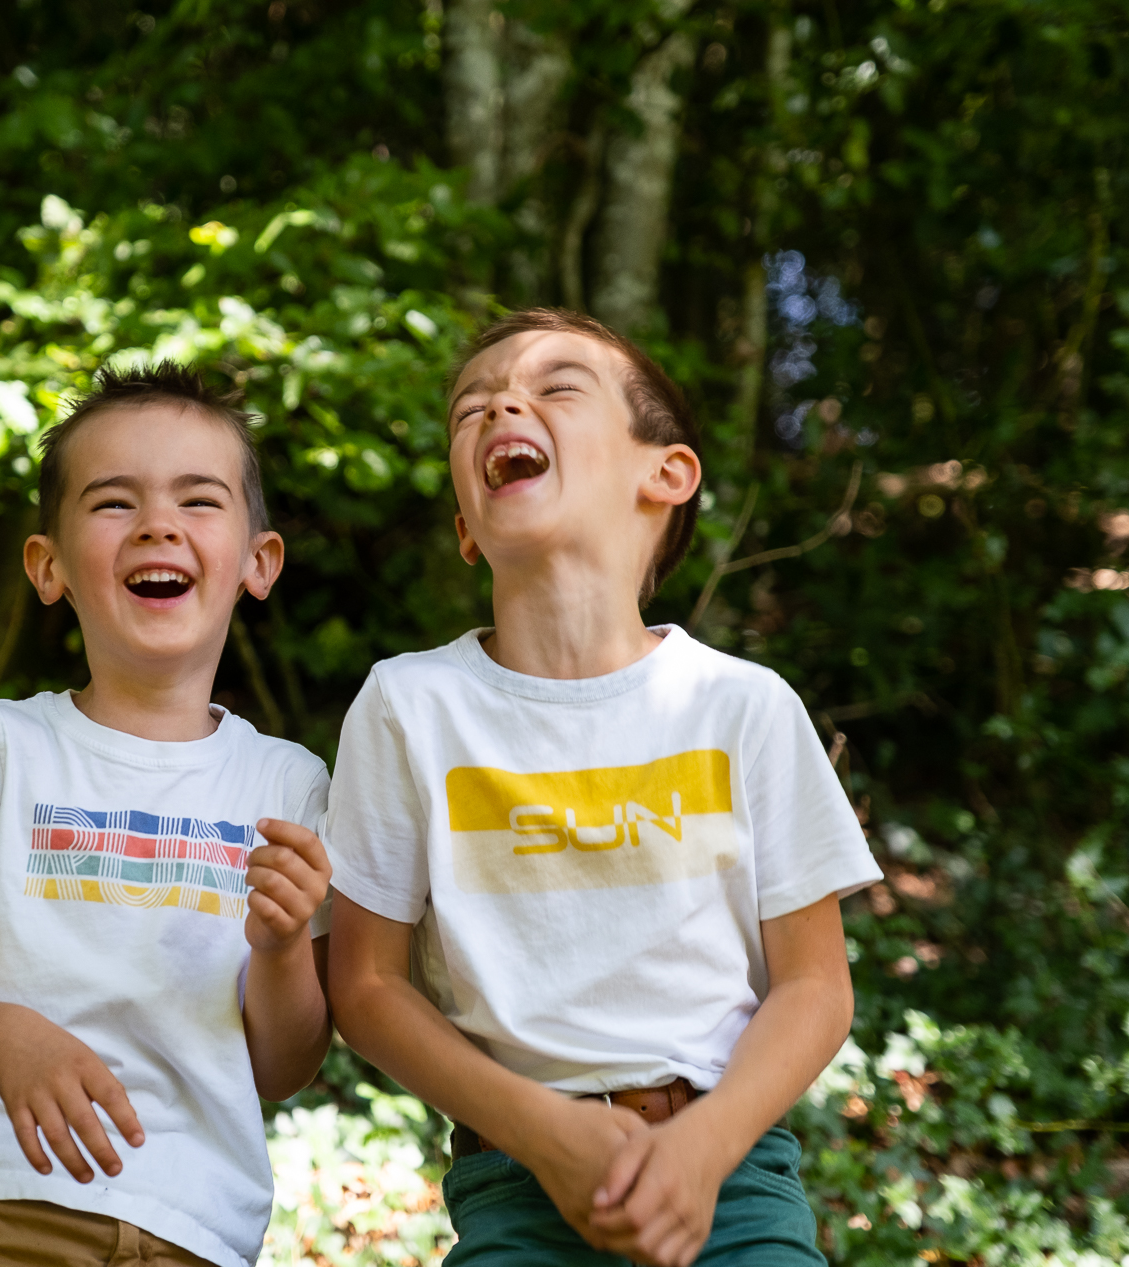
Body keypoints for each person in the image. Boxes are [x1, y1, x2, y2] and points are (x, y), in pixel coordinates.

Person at [324, 309, 882, 1267]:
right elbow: (367, 984)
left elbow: (816, 987)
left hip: (730, 1180)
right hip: (515, 1184)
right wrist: (545, 1132)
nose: (501, 402)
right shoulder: (408, 704)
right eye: (471, 409)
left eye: (556, 387)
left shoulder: (741, 705)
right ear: (467, 526)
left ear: (664, 474)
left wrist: (703, 1151)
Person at [0, 363, 334, 1267]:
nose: (158, 523)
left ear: (257, 562)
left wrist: (280, 947)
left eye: (198, 500)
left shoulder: (290, 784)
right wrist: (3, 1033)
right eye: (114, 503)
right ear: (48, 566)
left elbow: (283, 1067)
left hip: (196, 1227)